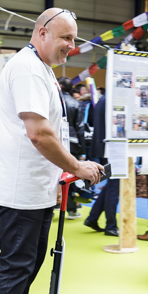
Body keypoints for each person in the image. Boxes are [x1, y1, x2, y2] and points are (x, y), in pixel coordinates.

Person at [0, 7, 102, 294]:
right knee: (16, 269)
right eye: (65, 37)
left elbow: (49, 133)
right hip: (21, 191)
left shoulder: (40, 68)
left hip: (35, 188)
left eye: (74, 39)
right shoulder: (29, 68)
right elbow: (38, 133)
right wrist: (76, 167)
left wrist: (67, 166)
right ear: (42, 33)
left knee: (25, 267)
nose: (71, 46)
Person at [84, 91, 120, 236]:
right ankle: (110, 225)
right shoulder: (112, 98)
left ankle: (93, 218)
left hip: (105, 147)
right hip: (112, 149)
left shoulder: (105, 98)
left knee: (112, 184)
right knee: (114, 186)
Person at [58, 76, 84, 219]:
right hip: (72, 143)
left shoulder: (54, 101)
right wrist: (82, 149)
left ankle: (53, 204)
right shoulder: (76, 103)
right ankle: (72, 209)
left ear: (60, 86)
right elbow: (80, 127)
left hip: (54, 142)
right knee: (70, 175)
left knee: (53, 173)